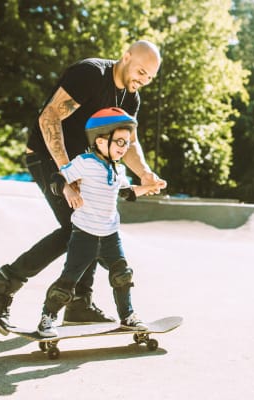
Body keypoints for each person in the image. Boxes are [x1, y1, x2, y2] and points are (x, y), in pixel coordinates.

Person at [0, 40, 166, 335]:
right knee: (78, 228)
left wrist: (144, 173)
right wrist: (66, 173)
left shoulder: (131, 98)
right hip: (48, 157)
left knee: (93, 222)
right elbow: (49, 117)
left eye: (149, 77)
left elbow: (127, 142)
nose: (142, 80)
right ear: (125, 57)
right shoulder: (90, 74)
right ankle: (0, 284)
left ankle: (80, 305)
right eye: (140, 71)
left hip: (85, 167)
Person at [37, 107, 165, 337]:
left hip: (110, 235)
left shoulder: (118, 168)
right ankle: (48, 317)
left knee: (122, 274)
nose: (123, 148)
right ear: (100, 140)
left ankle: (128, 315)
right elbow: (57, 177)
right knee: (69, 280)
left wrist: (148, 187)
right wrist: (68, 190)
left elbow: (126, 192)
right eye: (119, 142)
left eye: (126, 143)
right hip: (84, 234)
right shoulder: (85, 162)